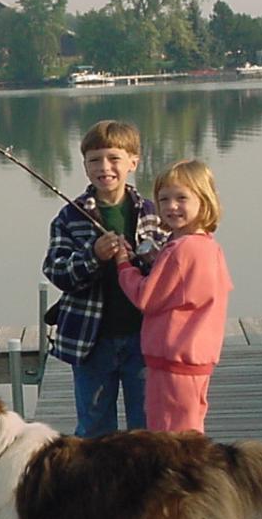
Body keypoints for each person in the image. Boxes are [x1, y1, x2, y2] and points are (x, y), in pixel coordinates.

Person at [42, 120, 166, 437]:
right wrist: (93, 255)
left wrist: (150, 259)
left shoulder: (152, 211)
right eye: (94, 160)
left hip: (143, 337)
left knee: (147, 426)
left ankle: (143, 486)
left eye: (114, 158)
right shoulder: (69, 216)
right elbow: (57, 271)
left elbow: (171, 272)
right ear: (84, 165)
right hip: (91, 341)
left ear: (133, 162)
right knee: (95, 428)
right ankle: (97, 486)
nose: (104, 167)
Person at [113, 158, 232, 433]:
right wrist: (156, 261)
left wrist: (123, 265)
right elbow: (186, 290)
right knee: (190, 429)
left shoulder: (179, 251)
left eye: (181, 198)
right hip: (198, 359)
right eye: (163, 199)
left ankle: (179, 477)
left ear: (204, 201)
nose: (171, 206)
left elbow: (146, 297)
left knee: (168, 437)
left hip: (172, 361)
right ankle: (195, 474)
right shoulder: (208, 247)